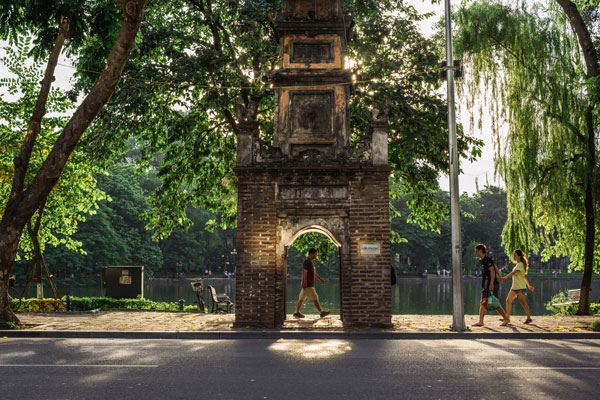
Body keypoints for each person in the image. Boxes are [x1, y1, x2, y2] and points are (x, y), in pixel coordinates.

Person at [473, 244, 509, 327]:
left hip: (491, 285)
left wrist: (492, 283)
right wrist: (500, 277)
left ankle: (506, 319)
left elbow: (492, 270)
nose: (475, 252)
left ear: (480, 250)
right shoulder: (484, 260)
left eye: (476, 250)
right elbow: (495, 267)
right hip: (487, 285)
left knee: (494, 303)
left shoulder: (486, 259)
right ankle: (481, 322)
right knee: (485, 303)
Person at [498, 249, 535, 324]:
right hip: (514, 287)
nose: (514, 256)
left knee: (523, 303)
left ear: (519, 256)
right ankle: (507, 318)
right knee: (508, 301)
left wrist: (505, 278)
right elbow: (523, 277)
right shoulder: (518, 265)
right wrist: (529, 286)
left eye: (515, 255)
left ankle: (529, 318)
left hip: (520, 288)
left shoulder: (520, 264)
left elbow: (513, 273)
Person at [293, 248, 330, 319]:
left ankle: (297, 312)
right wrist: (304, 282)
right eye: (316, 254)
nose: (316, 255)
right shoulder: (307, 262)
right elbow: (304, 272)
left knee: (301, 298)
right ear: (311, 254)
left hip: (308, 284)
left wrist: (320, 279)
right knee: (315, 298)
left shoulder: (311, 262)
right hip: (308, 285)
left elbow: (314, 273)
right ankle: (321, 312)